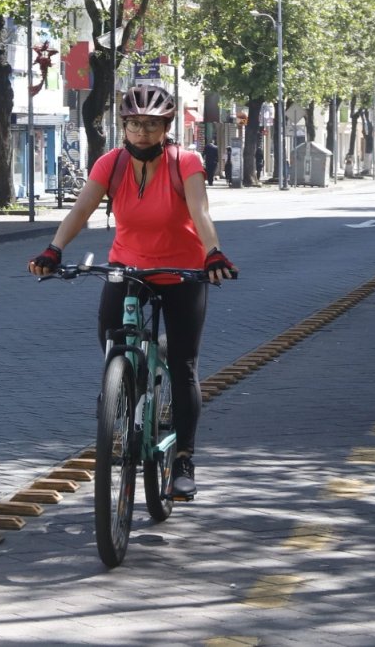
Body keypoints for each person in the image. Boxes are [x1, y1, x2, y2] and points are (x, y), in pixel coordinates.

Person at [28, 84, 238, 500]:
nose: (142, 132)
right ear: (123, 125)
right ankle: (126, 390)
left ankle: (183, 459)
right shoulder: (111, 163)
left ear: (166, 127)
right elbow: (82, 209)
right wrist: (54, 249)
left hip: (181, 271)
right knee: (112, 340)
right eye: (135, 124)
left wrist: (212, 253)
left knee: (183, 365)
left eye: (152, 125)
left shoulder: (186, 162)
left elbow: (200, 212)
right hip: (128, 265)